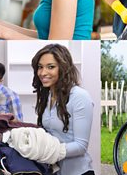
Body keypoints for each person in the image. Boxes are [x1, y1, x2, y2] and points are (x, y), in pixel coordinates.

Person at [31, 44, 94, 175]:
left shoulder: (79, 97)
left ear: (64, 68)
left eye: (51, 67)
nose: (43, 73)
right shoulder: (47, 96)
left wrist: (46, 152)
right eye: (40, 67)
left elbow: (81, 146)